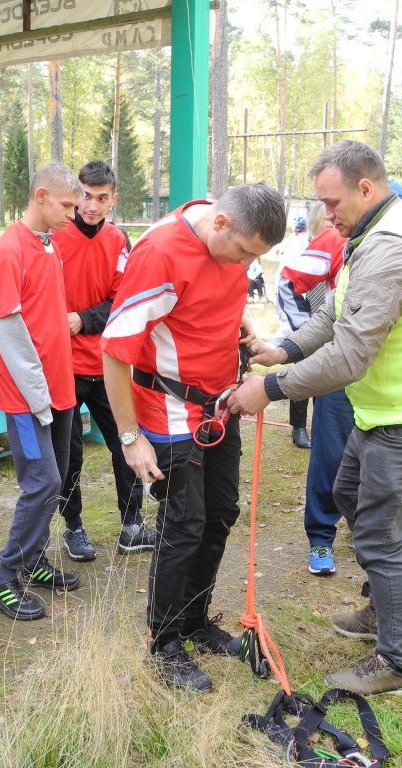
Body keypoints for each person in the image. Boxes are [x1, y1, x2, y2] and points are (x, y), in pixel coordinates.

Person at [228, 141, 402, 696]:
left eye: (333, 202)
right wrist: (284, 349)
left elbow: (349, 356)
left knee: (382, 534)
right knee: (350, 498)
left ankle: (397, 663)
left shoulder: (391, 250)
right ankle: (386, 609)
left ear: (366, 188)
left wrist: (268, 389)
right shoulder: (370, 234)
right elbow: (334, 315)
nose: (326, 214)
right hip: (387, 413)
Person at [101, 183, 286, 692]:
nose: (245, 265)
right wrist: (129, 436)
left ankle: (194, 620)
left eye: (257, 258)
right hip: (166, 410)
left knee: (222, 511)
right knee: (184, 522)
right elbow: (115, 350)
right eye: (246, 253)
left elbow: (210, 295)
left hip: (220, 402)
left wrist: (241, 324)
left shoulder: (228, 236)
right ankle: (163, 645)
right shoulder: (160, 254)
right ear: (222, 225)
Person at [0, 162, 84, 621]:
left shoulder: (49, 244)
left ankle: (34, 558)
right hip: (27, 398)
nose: (73, 214)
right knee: (41, 482)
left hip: (58, 389)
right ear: (41, 195)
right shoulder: (10, 248)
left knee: (56, 480)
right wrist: (38, 394)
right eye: (66, 205)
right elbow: (5, 327)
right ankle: (5, 575)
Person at [50, 160, 155, 562]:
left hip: (109, 365)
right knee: (69, 452)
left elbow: (122, 301)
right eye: (86, 196)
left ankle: (132, 526)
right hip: (65, 366)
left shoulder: (117, 240)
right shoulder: (56, 237)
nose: (91, 206)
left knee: (125, 442)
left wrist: (83, 318)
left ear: (114, 198)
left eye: (101, 198)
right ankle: (73, 527)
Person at [276, 201, 351, 576]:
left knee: (377, 463)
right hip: (337, 372)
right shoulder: (337, 240)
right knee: (330, 457)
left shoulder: (400, 250)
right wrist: (296, 341)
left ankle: (368, 529)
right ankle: (321, 538)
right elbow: (290, 284)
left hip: (389, 387)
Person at [274, 215, 313, 449]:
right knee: (304, 370)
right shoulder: (298, 247)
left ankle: (323, 426)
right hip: (304, 315)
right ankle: (298, 426)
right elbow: (285, 282)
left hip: (332, 316)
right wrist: (300, 323)